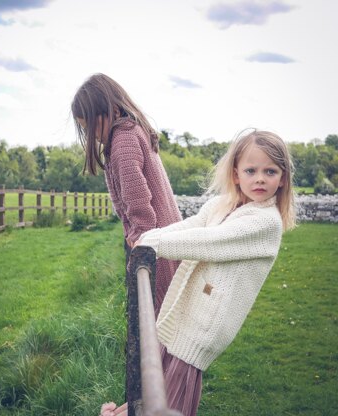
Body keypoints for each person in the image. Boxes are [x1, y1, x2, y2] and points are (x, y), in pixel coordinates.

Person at [102, 129, 296, 416]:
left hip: (203, 328)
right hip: (182, 314)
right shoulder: (223, 205)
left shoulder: (265, 222)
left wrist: (151, 244)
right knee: (153, 385)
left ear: (282, 179)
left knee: (171, 397)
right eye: (251, 170)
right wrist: (150, 238)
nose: (259, 179)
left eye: (270, 171)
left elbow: (207, 242)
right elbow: (189, 227)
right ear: (235, 174)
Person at [71, 73, 181, 315]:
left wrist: (141, 235)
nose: (91, 135)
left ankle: (162, 354)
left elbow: (136, 193)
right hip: (167, 233)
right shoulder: (133, 131)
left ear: (110, 110)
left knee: (160, 311)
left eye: (90, 126)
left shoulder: (123, 140)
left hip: (156, 240)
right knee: (169, 307)